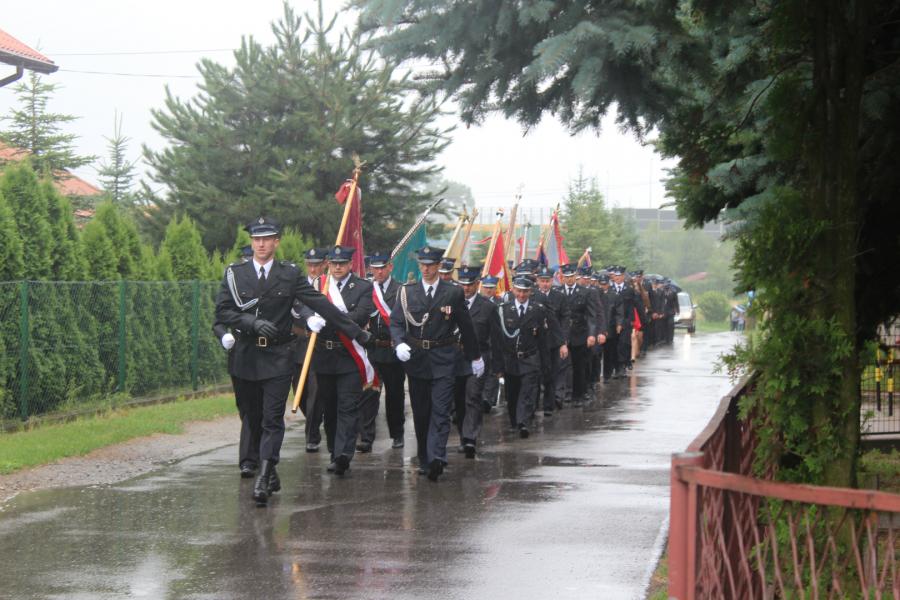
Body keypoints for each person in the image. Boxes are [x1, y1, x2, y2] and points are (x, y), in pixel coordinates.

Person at [215, 217, 369, 506]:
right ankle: (269, 471)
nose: (261, 244)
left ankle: (264, 475)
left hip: (277, 357)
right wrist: (251, 323)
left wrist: (355, 332)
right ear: (252, 242)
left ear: (276, 242)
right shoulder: (235, 273)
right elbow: (223, 312)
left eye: (267, 239)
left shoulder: (289, 274)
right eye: (257, 239)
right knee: (252, 416)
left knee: (273, 418)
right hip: (246, 356)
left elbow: (321, 304)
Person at [389, 245, 483, 482]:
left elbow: (466, 326)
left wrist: (475, 356)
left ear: (439, 266)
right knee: (422, 413)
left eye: (431, 265)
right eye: (423, 264)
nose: (426, 269)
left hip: (444, 358)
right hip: (417, 360)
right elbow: (397, 322)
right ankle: (424, 458)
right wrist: (398, 343)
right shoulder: (406, 292)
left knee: (441, 411)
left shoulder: (453, 292)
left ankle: (437, 457)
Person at [310, 245, 374, 476]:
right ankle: (333, 450)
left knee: (348, 406)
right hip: (324, 356)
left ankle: (343, 455)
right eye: (334, 263)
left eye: (342, 263)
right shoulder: (319, 285)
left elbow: (361, 316)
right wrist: (311, 318)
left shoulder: (363, 287)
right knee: (330, 408)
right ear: (328, 264)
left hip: (348, 356)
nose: (338, 267)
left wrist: (327, 316)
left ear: (350, 264)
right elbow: (302, 309)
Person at [357, 250, 406, 451]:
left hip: (392, 350)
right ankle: (366, 438)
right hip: (372, 349)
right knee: (369, 393)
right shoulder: (366, 289)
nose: (378, 272)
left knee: (394, 396)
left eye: (382, 268)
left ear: (390, 267)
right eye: (375, 268)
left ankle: (397, 434)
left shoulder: (401, 290)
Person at [491, 276, 551, 437]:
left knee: (528, 391)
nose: (522, 295)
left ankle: (523, 422)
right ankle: (514, 421)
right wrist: (498, 365)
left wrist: (545, 364)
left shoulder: (538, 310)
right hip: (510, 359)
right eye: (518, 291)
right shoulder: (503, 309)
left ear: (531, 292)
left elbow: (542, 339)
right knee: (512, 393)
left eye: (525, 291)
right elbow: (497, 340)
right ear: (513, 290)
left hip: (530, 358)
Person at [294, 247, 328, 453]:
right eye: (309, 264)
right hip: (299, 344)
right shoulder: (297, 286)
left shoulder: (328, 286)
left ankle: (312, 435)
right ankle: (315, 418)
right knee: (299, 392)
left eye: (317, 265)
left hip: (321, 346)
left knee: (315, 393)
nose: (313, 269)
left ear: (325, 264)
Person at [457, 266, 493, 458]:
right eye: (463, 284)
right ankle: (463, 435)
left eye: (470, 284)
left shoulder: (487, 306)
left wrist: (497, 365)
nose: (466, 288)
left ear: (477, 284)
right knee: (458, 400)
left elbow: (495, 337)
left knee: (472, 396)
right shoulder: (451, 302)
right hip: (455, 358)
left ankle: (470, 437)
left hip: (478, 357)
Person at [532, 266, 569, 417]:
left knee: (551, 374)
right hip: (535, 342)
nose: (545, 284)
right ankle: (533, 406)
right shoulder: (532, 295)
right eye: (542, 281)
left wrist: (563, 342)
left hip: (553, 340)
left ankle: (549, 405)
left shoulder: (559, 296)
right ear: (537, 281)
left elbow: (563, 320)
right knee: (535, 374)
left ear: (552, 281)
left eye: (547, 281)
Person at [559, 262, 596, 406]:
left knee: (579, 366)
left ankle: (578, 395)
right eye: (566, 276)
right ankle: (563, 394)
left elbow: (591, 315)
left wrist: (591, 334)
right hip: (562, 334)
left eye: (572, 276)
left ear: (576, 276)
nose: (569, 279)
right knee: (562, 366)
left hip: (579, 333)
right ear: (563, 277)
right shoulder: (558, 292)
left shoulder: (585, 292)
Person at [479, 276, 503, 413]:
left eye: (491, 288)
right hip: (481, 342)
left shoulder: (501, 303)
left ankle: (488, 399)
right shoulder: (476, 302)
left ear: (495, 288)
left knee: (493, 371)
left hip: (495, 342)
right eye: (486, 287)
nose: (488, 290)